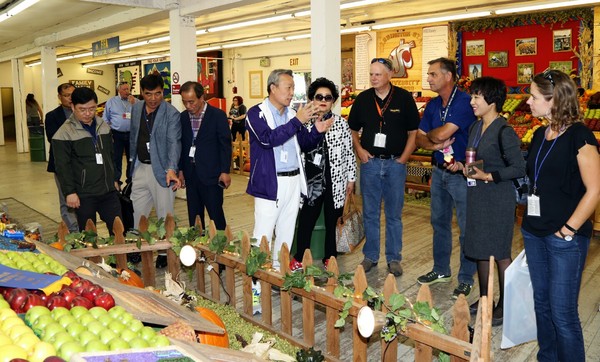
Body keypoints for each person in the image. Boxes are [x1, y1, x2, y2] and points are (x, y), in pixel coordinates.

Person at [522, 69, 600, 361]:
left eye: (533, 97)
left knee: (563, 312)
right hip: (534, 231)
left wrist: (568, 229)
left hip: (564, 238)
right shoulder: (541, 133)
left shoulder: (581, 136)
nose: (528, 102)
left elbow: (595, 190)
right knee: (542, 304)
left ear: (553, 100)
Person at [246, 69, 332, 269]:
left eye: (293, 87)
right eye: (289, 87)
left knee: (286, 233)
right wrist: (297, 121)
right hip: (270, 182)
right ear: (273, 88)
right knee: (263, 234)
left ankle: (279, 274)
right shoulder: (256, 113)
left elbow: (303, 143)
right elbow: (268, 140)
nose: (292, 92)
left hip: (293, 181)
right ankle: (257, 283)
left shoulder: (293, 114)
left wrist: (317, 132)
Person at [456, 77, 526, 326]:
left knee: (500, 252)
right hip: (477, 196)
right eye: (472, 96)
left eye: (477, 96)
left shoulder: (504, 130)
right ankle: (486, 298)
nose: (472, 101)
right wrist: (463, 167)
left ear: (492, 101)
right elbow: (476, 161)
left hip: (498, 198)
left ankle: (505, 306)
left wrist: (489, 176)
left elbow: (518, 167)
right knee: (480, 250)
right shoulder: (475, 127)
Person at [348, 58, 420, 277]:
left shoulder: (404, 98)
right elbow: (352, 129)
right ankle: (370, 256)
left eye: (378, 74)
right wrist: (359, 150)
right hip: (370, 164)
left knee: (394, 215)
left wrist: (404, 158)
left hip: (395, 164)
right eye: (371, 74)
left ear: (390, 74)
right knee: (370, 213)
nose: (373, 78)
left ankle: (394, 258)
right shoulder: (363, 99)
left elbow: (413, 132)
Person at [416, 57, 478, 298]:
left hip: (461, 174)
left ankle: (465, 277)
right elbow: (419, 139)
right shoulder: (432, 105)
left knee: (466, 229)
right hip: (440, 171)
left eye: (433, 74)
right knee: (439, 223)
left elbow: (442, 133)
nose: (428, 78)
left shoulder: (464, 102)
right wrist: (434, 144)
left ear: (448, 76)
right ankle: (441, 269)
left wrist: (433, 136)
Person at [292, 78, 356, 271]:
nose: (323, 100)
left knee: (332, 221)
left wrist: (351, 179)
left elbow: (349, 152)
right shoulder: (303, 122)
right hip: (311, 182)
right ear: (312, 98)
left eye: (328, 97)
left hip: (335, 181)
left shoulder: (341, 124)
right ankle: (299, 257)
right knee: (306, 221)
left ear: (333, 101)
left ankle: (331, 257)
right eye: (319, 96)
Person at [52, 87, 122, 234]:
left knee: (118, 231)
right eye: (82, 109)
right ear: (72, 106)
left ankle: (120, 257)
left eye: (92, 109)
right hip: (84, 195)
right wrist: (69, 192)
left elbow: (111, 155)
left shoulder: (103, 126)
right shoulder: (63, 133)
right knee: (88, 236)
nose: (88, 113)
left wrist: (115, 178)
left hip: (108, 191)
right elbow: (62, 166)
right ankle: (89, 259)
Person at [129, 73, 181, 268]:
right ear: (141, 93)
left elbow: (174, 143)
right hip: (140, 167)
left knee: (164, 214)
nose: (153, 98)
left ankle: (164, 252)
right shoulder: (136, 109)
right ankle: (136, 248)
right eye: (148, 94)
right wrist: (131, 167)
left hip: (162, 171)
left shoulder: (171, 113)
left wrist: (172, 169)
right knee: (138, 212)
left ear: (163, 92)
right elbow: (133, 137)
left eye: (157, 94)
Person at [178, 81, 231, 230]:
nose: (188, 106)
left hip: (212, 174)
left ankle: (221, 247)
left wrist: (225, 171)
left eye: (191, 102)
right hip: (191, 174)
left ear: (202, 98)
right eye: (184, 102)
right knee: (194, 217)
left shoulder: (217, 116)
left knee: (216, 214)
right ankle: (196, 248)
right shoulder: (183, 118)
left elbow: (225, 145)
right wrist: (181, 171)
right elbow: (181, 146)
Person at [45, 83, 79, 233]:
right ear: (59, 97)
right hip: (61, 164)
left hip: (81, 163)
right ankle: (73, 231)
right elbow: (53, 139)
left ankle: (85, 228)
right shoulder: (52, 116)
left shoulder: (82, 113)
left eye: (73, 94)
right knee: (66, 198)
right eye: (66, 95)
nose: (70, 98)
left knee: (83, 198)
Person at [103, 81, 138, 187]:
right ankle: (116, 181)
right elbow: (105, 118)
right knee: (116, 158)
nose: (127, 91)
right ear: (119, 90)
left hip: (131, 134)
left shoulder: (135, 101)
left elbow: (142, 115)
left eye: (128, 89)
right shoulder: (111, 101)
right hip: (116, 134)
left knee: (131, 158)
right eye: (124, 89)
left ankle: (130, 180)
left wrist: (135, 104)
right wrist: (109, 133)